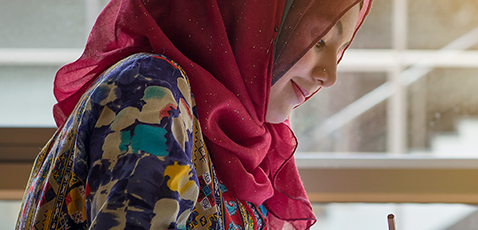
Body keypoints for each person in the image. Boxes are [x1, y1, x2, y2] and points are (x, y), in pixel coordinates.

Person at [16, 0, 371, 229]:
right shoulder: (152, 98)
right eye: (319, 40)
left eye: (340, 48)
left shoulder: (244, 135)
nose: (330, 75)